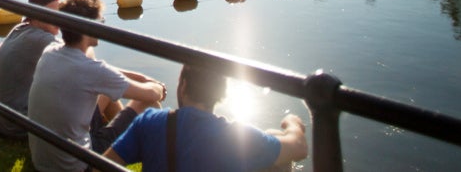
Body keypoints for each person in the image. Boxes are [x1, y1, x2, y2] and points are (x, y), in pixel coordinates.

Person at [27, 0, 166, 172]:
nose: (103, 28)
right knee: (150, 106)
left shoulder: (50, 52)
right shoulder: (93, 71)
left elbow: (97, 67)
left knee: (110, 92)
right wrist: (158, 85)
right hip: (78, 166)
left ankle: (116, 134)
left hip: (43, 162)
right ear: (88, 28)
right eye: (100, 23)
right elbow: (152, 94)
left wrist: (141, 78)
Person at [104, 64, 309, 172]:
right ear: (221, 93)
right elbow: (299, 148)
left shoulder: (149, 121)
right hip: (251, 145)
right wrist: (292, 123)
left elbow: (99, 167)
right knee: (277, 152)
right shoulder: (238, 138)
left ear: (183, 86)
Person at [0, 0, 62, 138]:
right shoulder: (41, 39)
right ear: (35, 15)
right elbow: (80, 59)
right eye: (52, 14)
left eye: (60, 14)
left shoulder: (19, 29)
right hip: (14, 125)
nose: (59, 20)